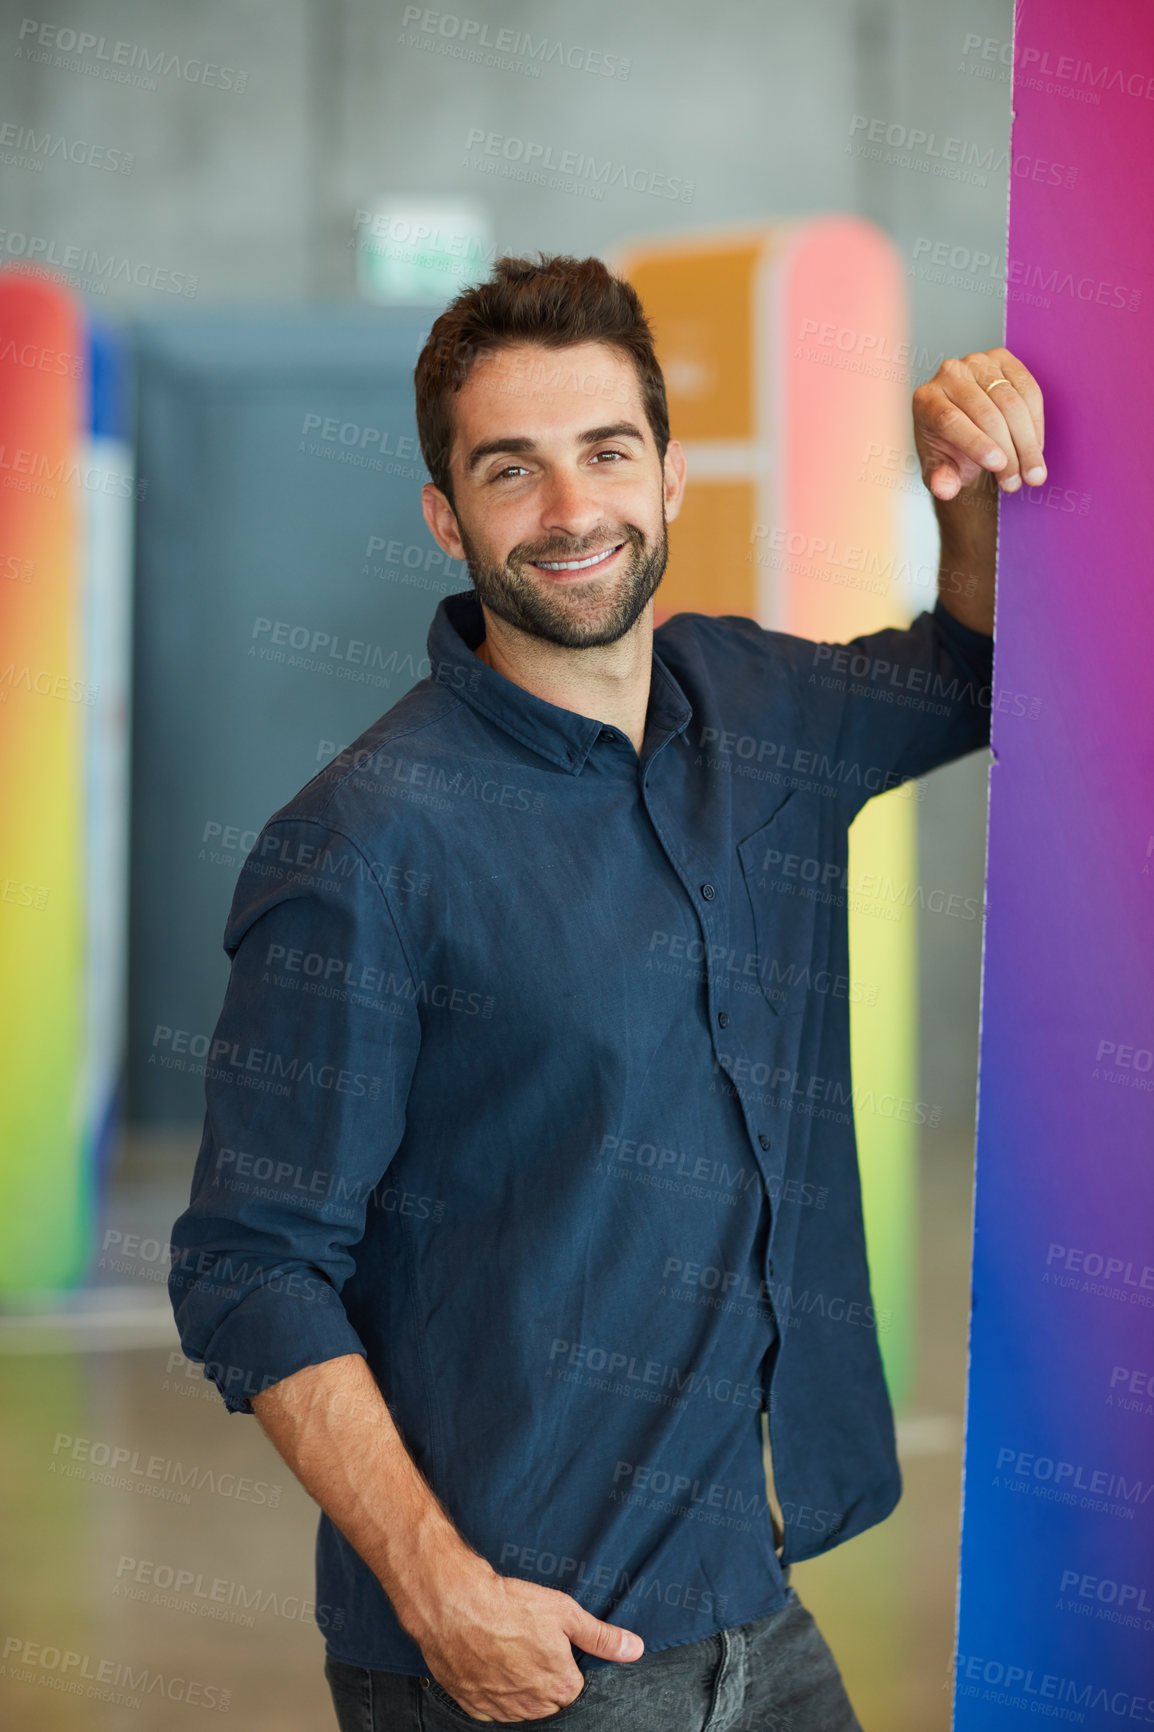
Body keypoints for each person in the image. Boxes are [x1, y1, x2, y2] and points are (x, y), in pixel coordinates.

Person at [168, 253, 1045, 1730]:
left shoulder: (753, 706)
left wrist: (963, 490)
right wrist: (441, 1593)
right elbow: (248, 1266)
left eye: (606, 453)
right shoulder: (364, 845)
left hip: (752, 1605)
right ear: (447, 516)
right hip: (527, 1649)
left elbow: (982, 670)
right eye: (512, 470)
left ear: (671, 474)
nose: (571, 512)